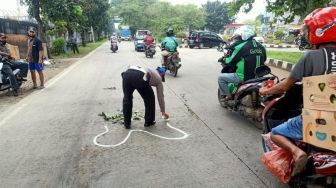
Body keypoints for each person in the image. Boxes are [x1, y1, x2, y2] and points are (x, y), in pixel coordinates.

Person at [259, 7, 336, 177]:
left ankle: (297, 152)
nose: (307, 33)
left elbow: (285, 86)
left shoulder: (311, 56)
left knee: (275, 133)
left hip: (318, 121)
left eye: (308, 29)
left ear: (321, 30)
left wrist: (266, 90)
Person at [218, 25, 267, 101]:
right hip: (260, 76)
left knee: (221, 77)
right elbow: (264, 59)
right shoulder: (261, 46)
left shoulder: (241, 46)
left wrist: (224, 59)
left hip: (244, 77)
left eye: (239, 37)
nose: (238, 39)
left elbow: (230, 61)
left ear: (243, 36)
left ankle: (228, 96)